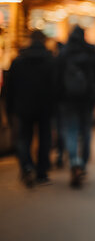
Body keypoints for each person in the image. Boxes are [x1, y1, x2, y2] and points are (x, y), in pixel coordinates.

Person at [6, 31, 56, 187]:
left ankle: (27, 166)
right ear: (43, 41)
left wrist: (10, 109)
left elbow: (9, 88)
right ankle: (41, 173)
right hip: (45, 107)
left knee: (24, 138)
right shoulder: (50, 60)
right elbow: (56, 86)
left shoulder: (18, 61)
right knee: (44, 139)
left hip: (23, 107)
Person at [57, 26, 95, 188]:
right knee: (85, 130)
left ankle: (74, 161)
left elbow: (57, 77)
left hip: (68, 100)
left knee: (70, 130)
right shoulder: (90, 51)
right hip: (87, 99)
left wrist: (59, 96)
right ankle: (82, 164)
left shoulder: (64, 52)